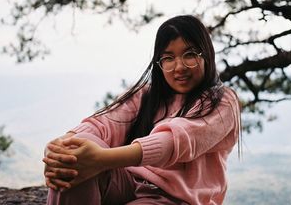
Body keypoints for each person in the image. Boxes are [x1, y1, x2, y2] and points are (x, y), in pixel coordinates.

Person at [43, 15, 241, 205]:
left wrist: (100, 160)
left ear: (206, 54)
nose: (179, 66)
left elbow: (175, 141)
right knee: (73, 153)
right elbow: (104, 123)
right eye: (168, 58)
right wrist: (58, 151)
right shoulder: (146, 95)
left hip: (176, 199)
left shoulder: (223, 102)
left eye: (189, 55)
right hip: (128, 183)